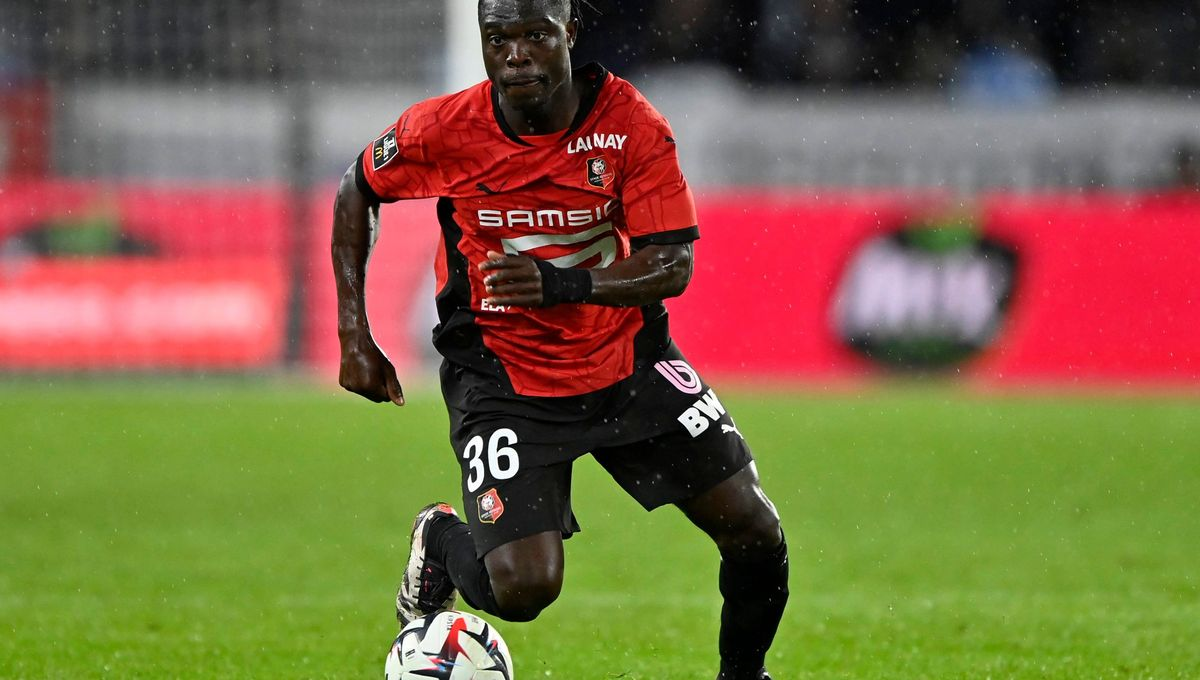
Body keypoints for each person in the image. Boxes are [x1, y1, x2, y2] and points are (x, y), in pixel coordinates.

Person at [331, 1, 787, 677]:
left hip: (628, 360)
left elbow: (674, 264)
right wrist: (354, 335)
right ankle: (443, 539)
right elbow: (357, 188)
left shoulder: (631, 126)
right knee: (523, 589)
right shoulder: (444, 128)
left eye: (535, 35)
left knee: (754, 530)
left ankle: (743, 675)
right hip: (505, 378)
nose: (516, 53)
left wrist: (562, 285)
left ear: (568, 33)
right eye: (499, 38)